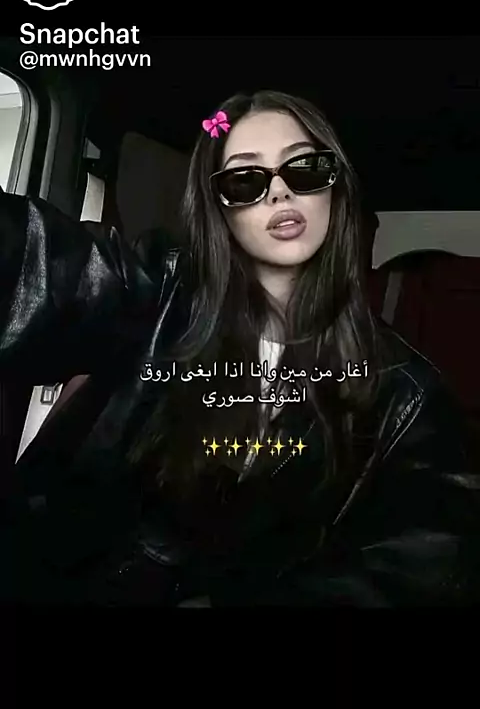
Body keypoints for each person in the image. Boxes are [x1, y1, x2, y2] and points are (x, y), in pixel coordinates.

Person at [1, 90, 479, 606]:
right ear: (219, 210)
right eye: (246, 179)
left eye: (304, 168)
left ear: (335, 190)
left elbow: (420, 566)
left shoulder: (407, 398)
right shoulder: (157, 293)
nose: (280, 193)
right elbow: (36, 264)